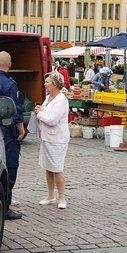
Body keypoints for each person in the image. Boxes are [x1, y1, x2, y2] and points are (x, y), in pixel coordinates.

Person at [0, 51, 26, 220]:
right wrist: (21, 130)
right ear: (9, 64)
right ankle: (5, 206)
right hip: (7, 132)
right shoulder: (9, 85)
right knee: (10, 167)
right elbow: (15, 110)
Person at [34, 72, 70, 209]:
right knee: (48, 167)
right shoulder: (49, 97)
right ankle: (50, 195)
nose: (45, 84)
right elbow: (45, 111)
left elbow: (52, 120)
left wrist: (39, 113)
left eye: (47, 82)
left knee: (57, 168)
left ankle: (62, 197)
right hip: (47, 138)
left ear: (55, 84)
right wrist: (41, 109)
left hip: (57, 139)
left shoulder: (61, 100)